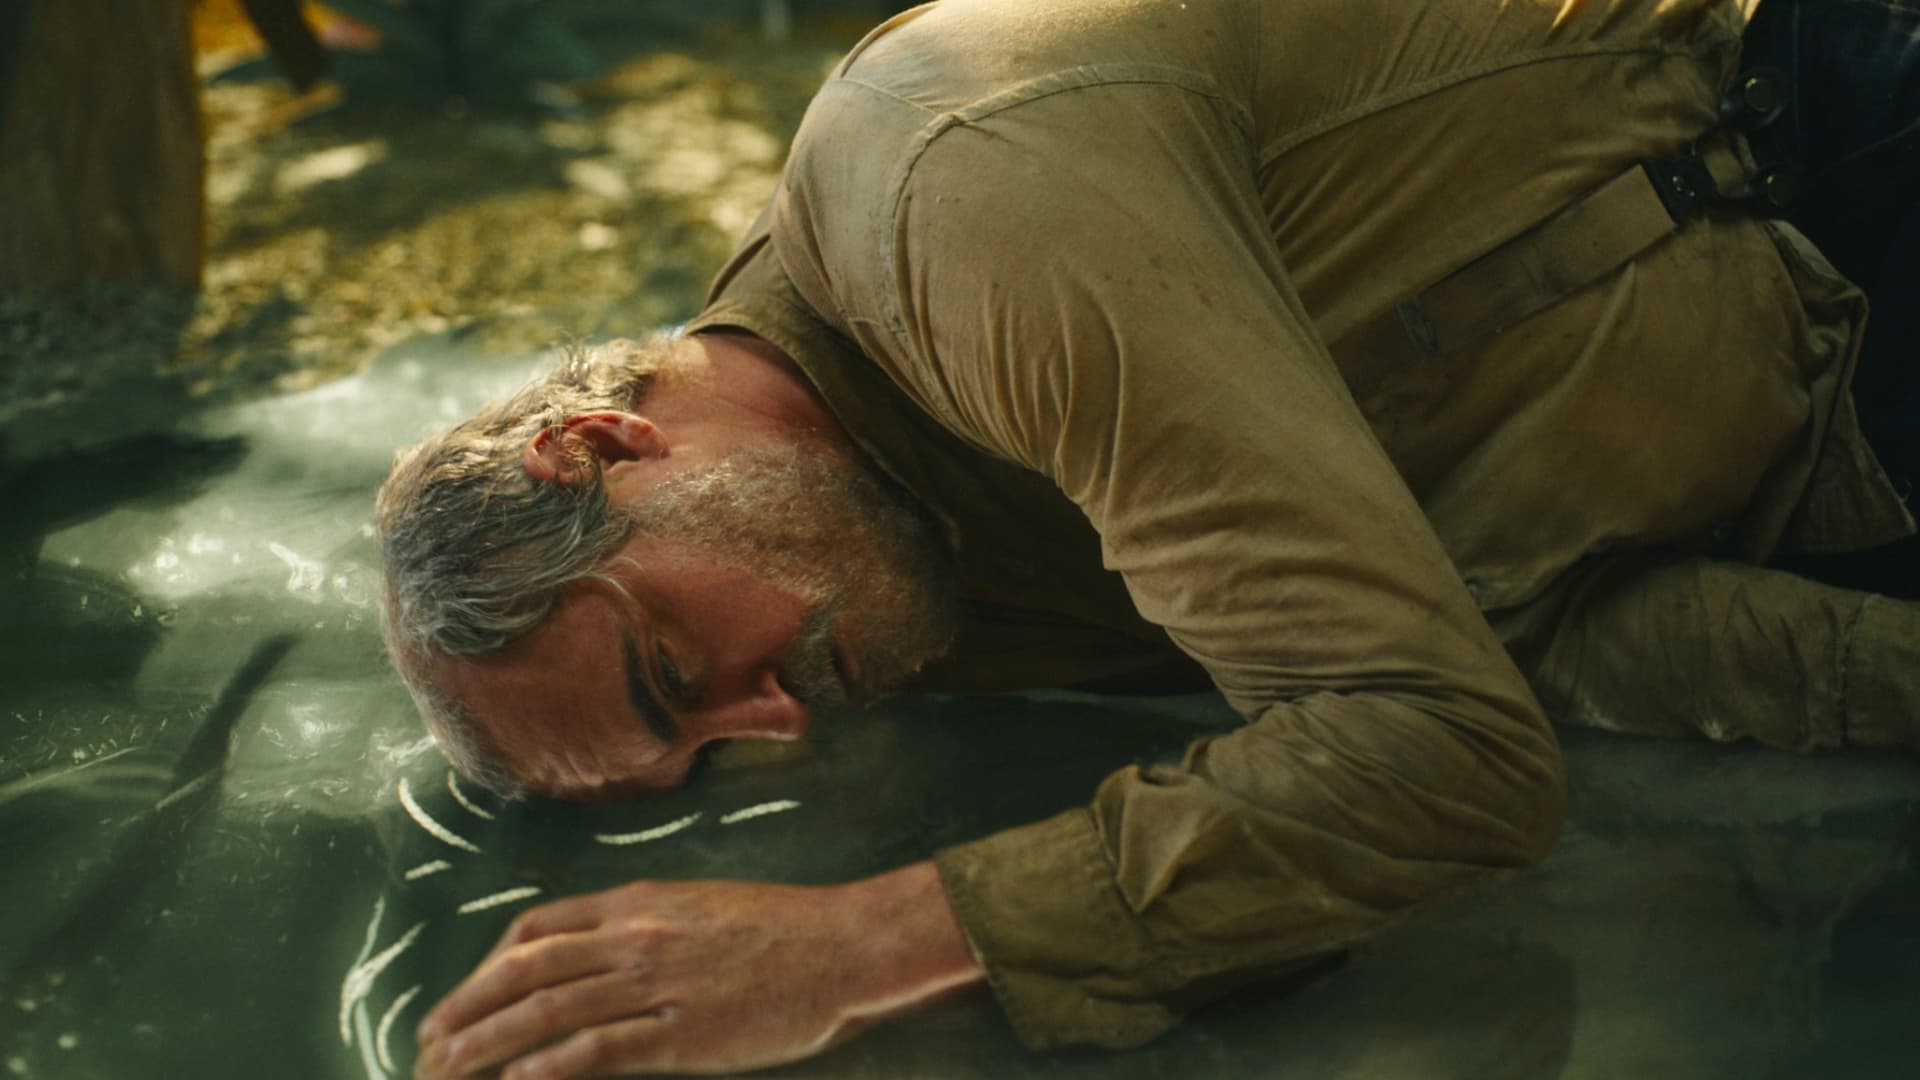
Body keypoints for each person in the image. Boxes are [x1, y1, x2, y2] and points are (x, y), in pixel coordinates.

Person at [375, 0, 1920, 1076]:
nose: (767, 729)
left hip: (1846, 174)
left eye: (671, 672)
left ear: (602, 445)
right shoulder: (883, 559)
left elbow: (1440, 748)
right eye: (703, 757)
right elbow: (1500, 626)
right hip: (1799, 472)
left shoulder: (958, 202)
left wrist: (862, 944)